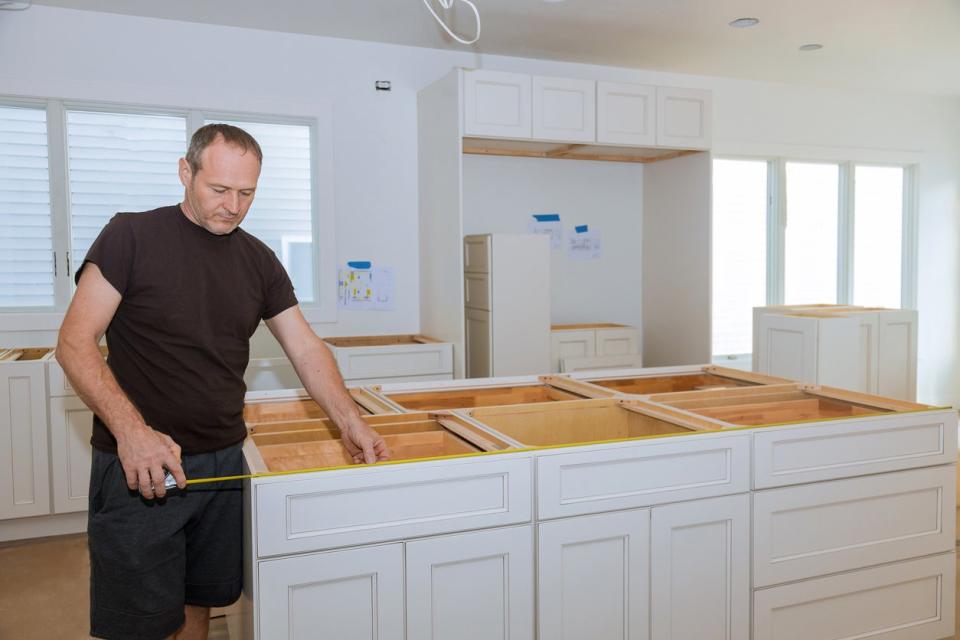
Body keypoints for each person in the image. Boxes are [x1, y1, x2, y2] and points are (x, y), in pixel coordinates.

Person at [56, 123, 390, 640]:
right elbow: (75, 343)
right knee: (140, 624)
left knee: (202, 603)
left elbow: (304, 346)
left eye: (247, 193)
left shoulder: (258, 259)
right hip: (144, 463)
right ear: (185, 172)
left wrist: (350, 419)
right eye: (219, 190)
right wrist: (133, 433)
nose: (233, 206)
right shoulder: (130, 235)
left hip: (224, 464)